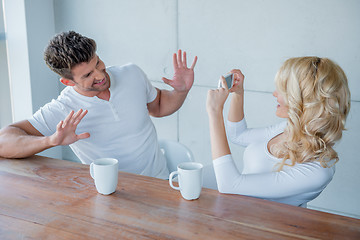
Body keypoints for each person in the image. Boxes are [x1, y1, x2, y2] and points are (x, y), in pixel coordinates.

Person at [0, 31, 197, 179]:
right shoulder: (64, 107)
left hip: (160, 181)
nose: (101, 75)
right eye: (87, 75)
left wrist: (181, 91)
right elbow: (4, 141)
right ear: (68, 82)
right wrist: (50, 141)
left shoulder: (131, 73)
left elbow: (159, 107)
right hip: (112, 193)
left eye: (98, 63)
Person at [206, 57, 350, 206]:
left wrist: (215, 112)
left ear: (302, 99)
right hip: (241, 216)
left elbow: (230, 185)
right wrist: (238, 94)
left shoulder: (319, 170)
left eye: (283, 90)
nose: (275, 94)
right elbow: (239, 135)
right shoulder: (288, 128)